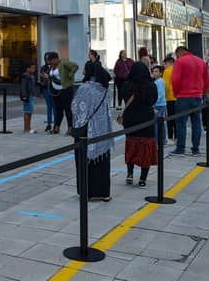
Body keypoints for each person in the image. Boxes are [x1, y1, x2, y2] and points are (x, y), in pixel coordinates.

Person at [71, 61, 113, 201]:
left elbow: (76, 107)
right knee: (102, 163)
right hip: (102, 129)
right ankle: (104, 192)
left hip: (85, 130)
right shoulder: (104, 88)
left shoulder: (85, 88)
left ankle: (87, 192)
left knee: (85, 163)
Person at [120, 62, 158, 187]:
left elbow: (124, 98)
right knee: (145, 147)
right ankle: (143, 179)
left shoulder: (126, 85)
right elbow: (154, 100)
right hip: (146, 118)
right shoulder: (151, 86)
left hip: (130, 118)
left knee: (131, 146)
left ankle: (130, 174)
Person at [170, 46, 209, 156]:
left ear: (179, 52)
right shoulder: (201, 61)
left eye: (176, 54)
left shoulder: (180, 61)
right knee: (196, 123)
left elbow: (175, 79)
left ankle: (180, 149)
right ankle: (195, 149)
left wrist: (176, 93)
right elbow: (207, 79)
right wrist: (203, 91)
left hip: (183, 96)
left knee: (181, 123)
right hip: (197, 96)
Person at [45, 51, 78, 135]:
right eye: (48, 61)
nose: (49, 62)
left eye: (51, 60)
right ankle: (57, 127)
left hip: (65, 89)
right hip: (56, 91)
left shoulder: (64, 63)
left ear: (56, 59)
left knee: (67, 109)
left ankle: (70, 128)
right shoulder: (52, 66)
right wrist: (48, 77)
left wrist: (70, 75)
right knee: (58, 109)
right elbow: (54, 76)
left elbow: (75, 66)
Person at [38, 52, 56, 132]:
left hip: (53, 89)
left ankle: (56, 124)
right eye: (45, 57)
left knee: (55, 107)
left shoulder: (55, 67)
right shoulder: (43, 68)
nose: (47, 59)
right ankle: (49, 123)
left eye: (48, 58)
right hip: (46, 89)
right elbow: (41, 81)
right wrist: (41, 92)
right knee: (49, 107)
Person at [20, 60, 38, 134]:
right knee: (27, 112)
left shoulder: (32, 76)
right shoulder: (25, 76)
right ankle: (26, 128)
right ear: (27, 68)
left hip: (32, 95)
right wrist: (24, 96)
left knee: (30, 112)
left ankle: (28, 127)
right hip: (28, 96)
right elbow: (23, 87)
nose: (34, 69)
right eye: (32, 68)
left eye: (34, 68)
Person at [162, 56, 177, 143]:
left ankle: (170, 137)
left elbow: (166, 86)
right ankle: (177, 136)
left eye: (165, 63)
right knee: (176, 118)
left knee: (170, 118)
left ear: (170, 63)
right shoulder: (177, 70)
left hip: (169, 97)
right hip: (177, 97)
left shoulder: (167, 71)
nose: (164, 65)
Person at [152, 65, 167, 144]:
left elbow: (160, 94)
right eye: (153, 71)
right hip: (161, 104)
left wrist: (154, 103)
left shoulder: (159, 82)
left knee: (156, 123)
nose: (154, 73)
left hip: (158, 105)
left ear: (161, 73)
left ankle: (158, 140)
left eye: (156, 71)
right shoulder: (159, 81)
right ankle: (163, 139)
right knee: (161, 122)